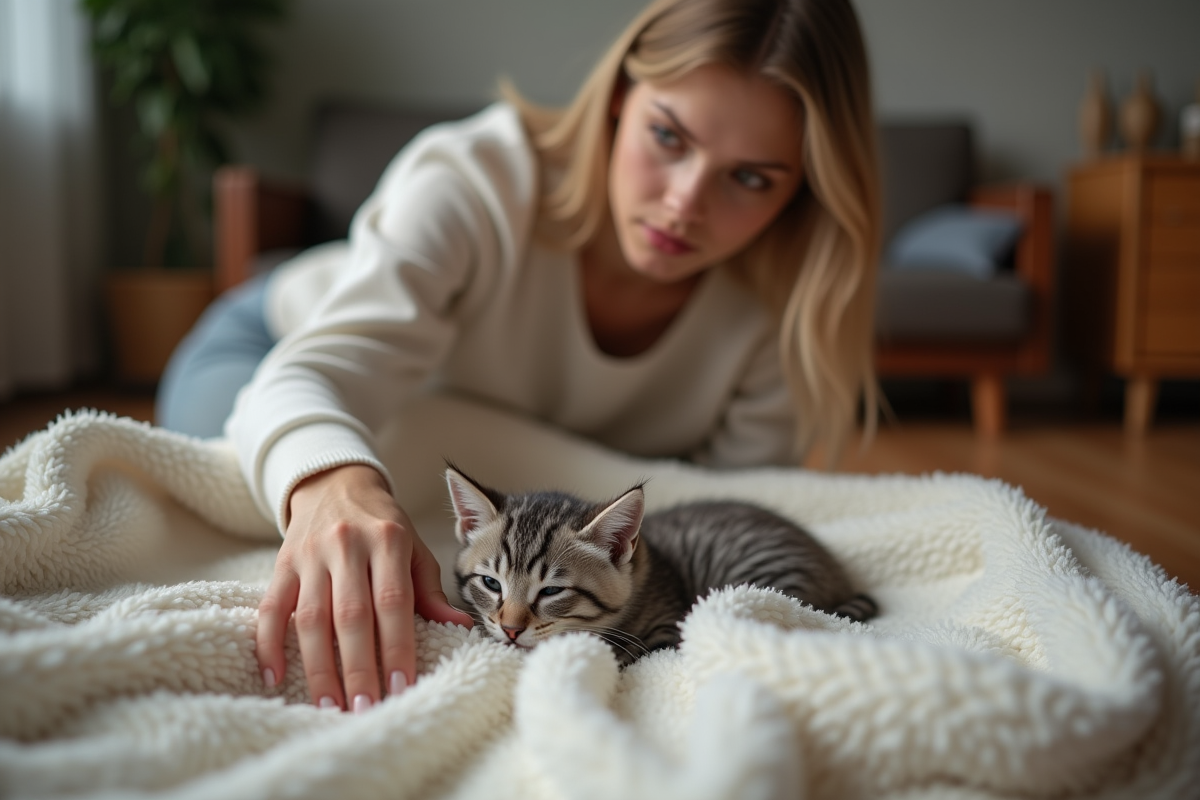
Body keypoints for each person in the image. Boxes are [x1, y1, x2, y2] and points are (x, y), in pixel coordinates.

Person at [157, 0, 881, 713]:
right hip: (276, 345)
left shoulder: (788, 308)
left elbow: (706, 519)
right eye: (667, 134)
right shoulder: (478, 180)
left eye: (751, 177)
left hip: (497, 485)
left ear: (803, 187)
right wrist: (335, 487)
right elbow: (306, 379)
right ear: (618, 98)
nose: (684, 203)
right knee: (236, 502)